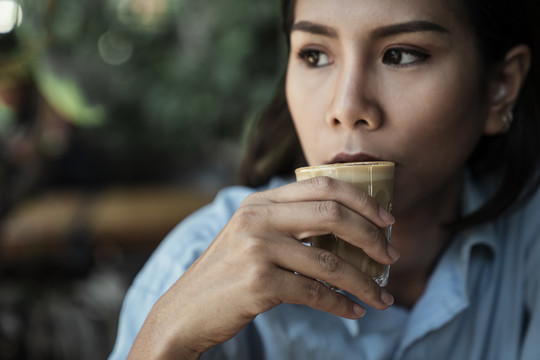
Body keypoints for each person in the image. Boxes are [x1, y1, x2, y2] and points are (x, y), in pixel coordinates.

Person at [109, 0, 540, 358]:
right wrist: (166, 341)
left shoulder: (529, 244)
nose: (346, 105)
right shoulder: (193, 263)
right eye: (315, 55)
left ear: (500, 85)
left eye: (402, 54)